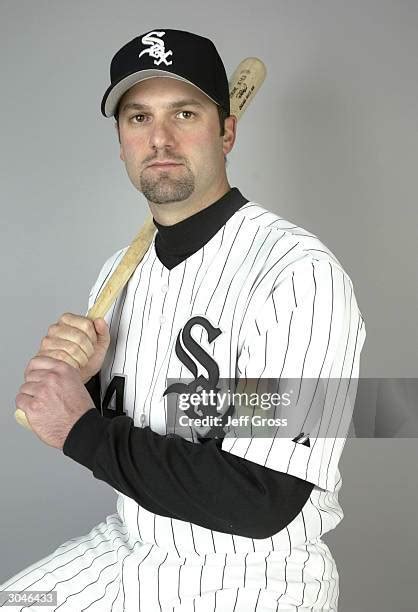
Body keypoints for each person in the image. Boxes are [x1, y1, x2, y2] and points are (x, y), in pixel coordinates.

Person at [1, 29, 366, 611]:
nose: (160, 139)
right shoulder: (116, 276)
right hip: (129, 547)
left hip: (252, 575)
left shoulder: (297, 274)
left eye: (185, 113)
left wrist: (79, 428)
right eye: (138, 117)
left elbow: (264, 496)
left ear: (227, 130)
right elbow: (159, 416)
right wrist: (88, 385)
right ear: (121, 140)